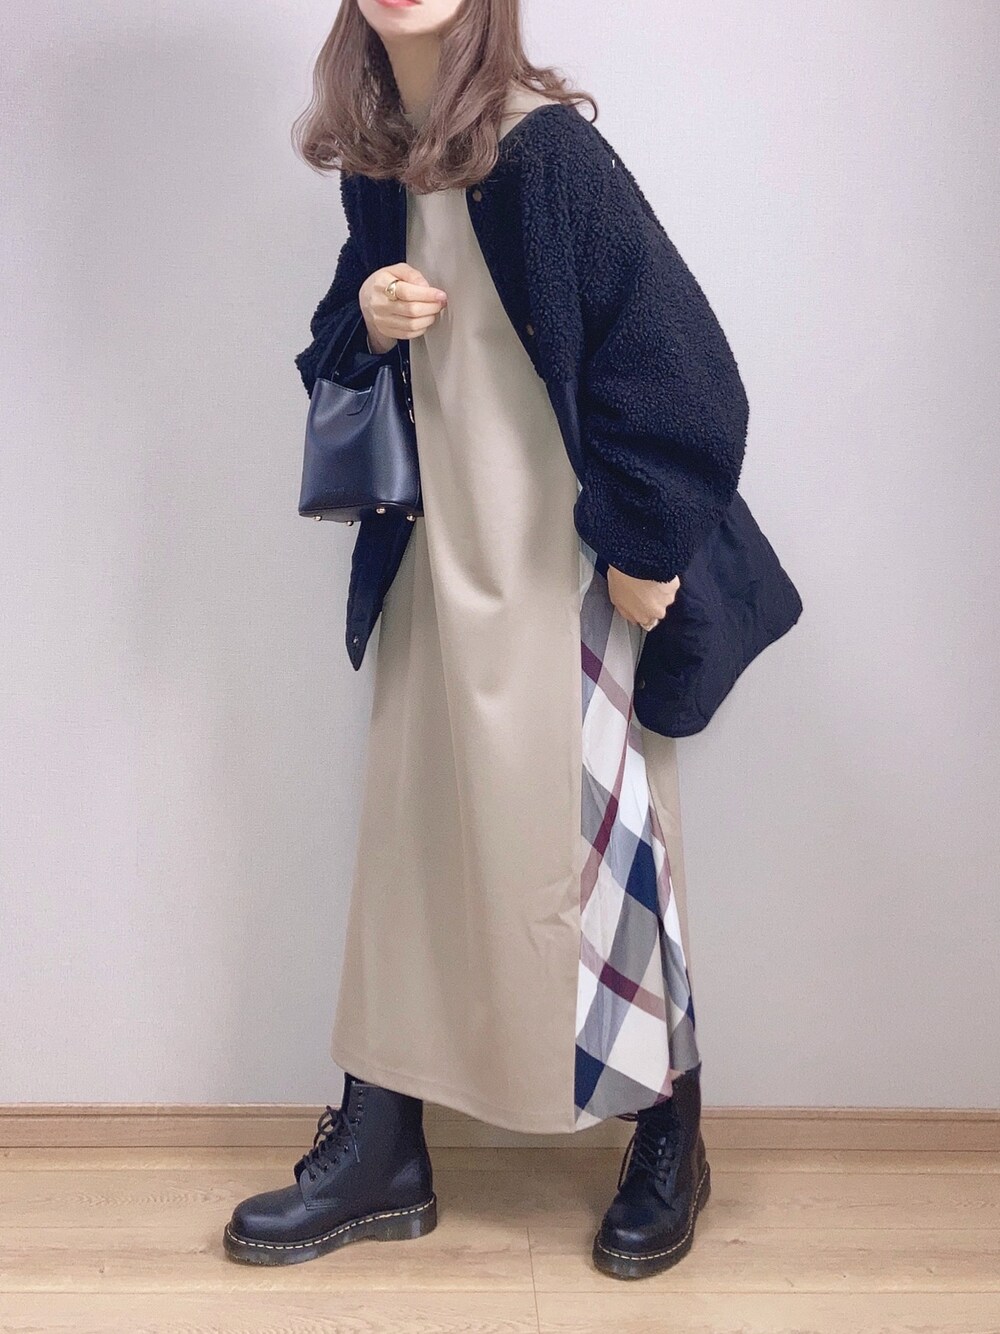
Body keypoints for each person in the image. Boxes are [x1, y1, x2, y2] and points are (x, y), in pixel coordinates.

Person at [223, 0, 745, 1281]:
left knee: (598, 853)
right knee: (412, 849)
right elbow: (332, 355)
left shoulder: (546, 152)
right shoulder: (380, 162)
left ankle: (668, 1132)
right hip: (430, 561)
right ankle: (383, 1142)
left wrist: (643, 546)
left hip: (555, 568)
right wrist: (367, 316)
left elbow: (685, 367)